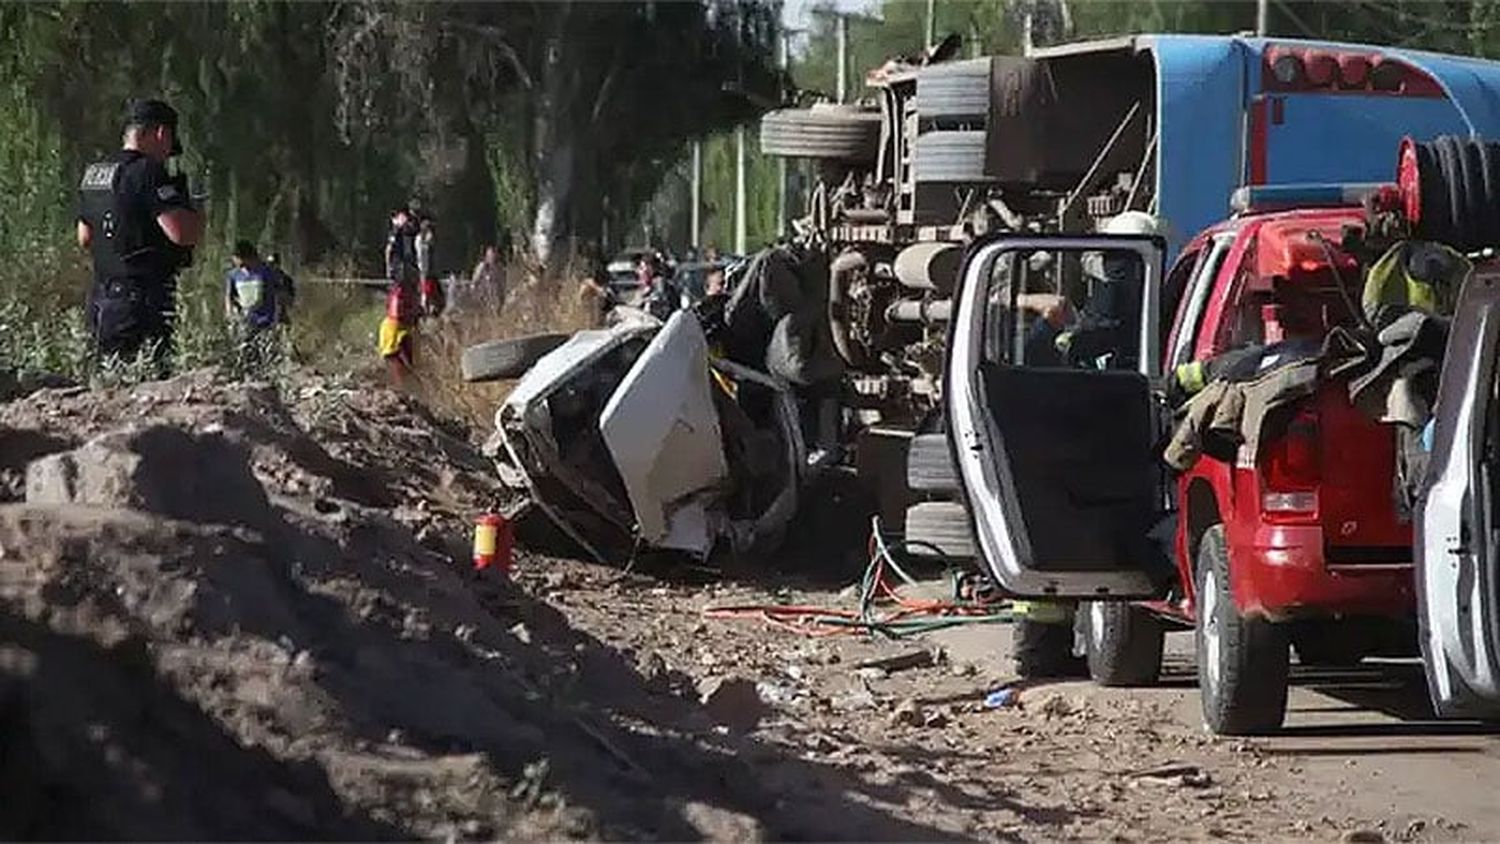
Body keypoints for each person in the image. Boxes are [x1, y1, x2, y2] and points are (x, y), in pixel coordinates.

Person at [76, 98, 202, 367]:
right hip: (141, 299)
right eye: (169, 146)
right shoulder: (147, 172)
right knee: (150, 381)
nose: (167, 154)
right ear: (161, 133)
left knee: (110, 380)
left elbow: (84, 238)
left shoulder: (94, 174)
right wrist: (193, 207)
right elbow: (181, 234)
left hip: (102, 297)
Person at [224, 240, 280, 333]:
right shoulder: (234, 275)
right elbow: (229, 296)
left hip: (266, 322)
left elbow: (278, 293)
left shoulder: (266, 272)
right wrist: (231, 315)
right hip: (245, 323)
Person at [415, 217, 443, 317]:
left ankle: (432, 315)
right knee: (426, 298)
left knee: (439, 301)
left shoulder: (428, 244)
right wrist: (423, 276)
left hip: (431, 275)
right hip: (425, 275)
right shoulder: (421, 243)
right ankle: (425, 318)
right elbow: (422, 261)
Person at [265, 251, 296, 325]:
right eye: (269, 264)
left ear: (277, 264)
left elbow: (291, 295)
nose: (270, 266)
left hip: (279, 309)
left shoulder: (285, 278)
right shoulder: (263, 277)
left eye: (272, 264)